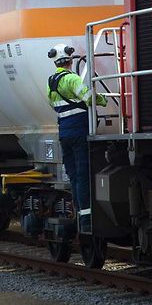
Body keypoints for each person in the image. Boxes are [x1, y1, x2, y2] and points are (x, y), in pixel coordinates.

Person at [46, 43, 106, 233]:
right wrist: (103, 99)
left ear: (56, 63)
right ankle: (87, 218)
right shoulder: (72, 79)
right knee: (82, 175)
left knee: (72, 175)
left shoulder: (51, 83)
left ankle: (80, 212)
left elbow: (53, 105)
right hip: (79, 132)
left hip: (64, 134)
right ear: (70, 61)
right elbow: (88, 97)